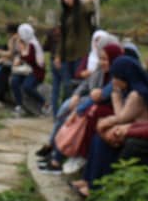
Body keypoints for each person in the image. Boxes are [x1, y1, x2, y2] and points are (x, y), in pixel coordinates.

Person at [71, 56, 148, 198]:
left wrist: (115, 97)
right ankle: (87, 180)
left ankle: (95, 187)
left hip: (138, 134)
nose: (113, 81)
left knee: (102, 141)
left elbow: (121, 117)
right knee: (97, 138)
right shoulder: (132, 90)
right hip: (130, 129)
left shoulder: (137, 95)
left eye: (116, 77)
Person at [38, 41, 123, 174]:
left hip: (102, 110)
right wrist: (76, 96)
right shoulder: (100, 69)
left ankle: (58, 158)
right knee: (67, 112)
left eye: (105, 59)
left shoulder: (117, 76)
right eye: (101, 58)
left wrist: (79, 110)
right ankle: (56, 154)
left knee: (79, 117)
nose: (102, 62)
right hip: (90, 103)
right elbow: (83, 80)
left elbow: (100, 96)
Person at [56, 0, 95, 101]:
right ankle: (68, 107)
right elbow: (62, 37)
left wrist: (89, 2)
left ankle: (77, 107)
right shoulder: (65, 15)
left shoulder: (82, 10)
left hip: (80, 53)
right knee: (67, 85)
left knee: (78, 84)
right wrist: (58, 55)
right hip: (67, 55)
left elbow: (90, 11)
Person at [10, 23, 46, 116]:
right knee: (14, 81)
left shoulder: (33, 44)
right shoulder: (24, 43)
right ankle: (19, 105)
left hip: (36, 71)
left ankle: (44, 102)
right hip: (26, 71)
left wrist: (22, 55)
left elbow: (33, 60)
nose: (19, 35)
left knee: (27, 86)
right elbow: (18, 56)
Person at [43, 25, 62, 115]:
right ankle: (60, 112)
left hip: (53, 60)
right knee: (65, 87)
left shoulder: (51, 33)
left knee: (55, 88)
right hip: (63, 62)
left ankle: (55, 113)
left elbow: (45, 47)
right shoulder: (65, 34)